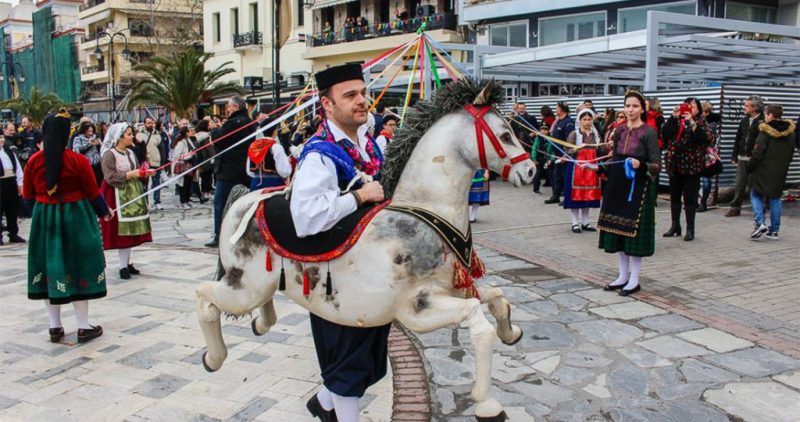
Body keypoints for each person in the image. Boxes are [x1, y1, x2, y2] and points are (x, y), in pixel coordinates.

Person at [293, 63, 387, 422]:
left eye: (362, 93)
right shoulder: (319, 154)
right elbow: (306, 218)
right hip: (335, 275)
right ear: (327, 105)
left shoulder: (364, 144)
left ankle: (323, 403)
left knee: (365, 353)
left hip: (368, 270)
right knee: (347, 358)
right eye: (350, 95)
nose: (361, 101)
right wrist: (360, 197)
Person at [22, 111, 111, 343]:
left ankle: (55, 326)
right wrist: (105, 211)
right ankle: (83, 326)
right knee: (79, 266)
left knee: (50, 268)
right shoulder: (77, 161)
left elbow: (28, 195)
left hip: (45, 218)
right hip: (77, 218)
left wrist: (41, 215)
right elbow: (93, 193)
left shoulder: (33, 162)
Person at [597, 91, 661, 296]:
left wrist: (640, 164)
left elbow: (657, 165)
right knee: (618, 232)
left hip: (639, 188)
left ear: (642, 108)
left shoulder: (649, 132)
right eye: (627, 106)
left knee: (634, 236)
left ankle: (634, 280)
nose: (630, 109)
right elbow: (615, 159)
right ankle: (622, 276)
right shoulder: (620, 130)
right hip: (618, 186)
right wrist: (597, 168)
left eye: (634, 106)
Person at [99, 123, 156, 279]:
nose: (132, 136)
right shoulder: (109, 155)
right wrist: (134, 173)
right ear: (119, 137)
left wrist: (144, 173)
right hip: (116, 194)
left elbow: (136, 170)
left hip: (132, 194)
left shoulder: (130, 153)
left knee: (131, 229)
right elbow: (109, 177)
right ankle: (123, 266)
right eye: (129, 134)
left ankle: (127, 263)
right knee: (122, 231)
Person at [207, 96, 255, 248]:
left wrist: (214, 129)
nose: (227, 110)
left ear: (235, 107)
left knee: (220, 203)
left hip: (229, 170)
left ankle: (219, 235)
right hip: (243, 169)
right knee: (242, 203)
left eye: (229, 107)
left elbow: (220, 140)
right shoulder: (249, 122)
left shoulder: (235, 122)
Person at [661, 97, 709, 242]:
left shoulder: (701, 122)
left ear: (698, 109)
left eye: (693, 107)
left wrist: (692, 122)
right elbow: (666, 134)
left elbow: (704, 138)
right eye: (687, 106)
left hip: (691, 166)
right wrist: (672, 117)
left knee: (689, 198)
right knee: (674, 197)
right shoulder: (677, 120)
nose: (690, 109)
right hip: (675, 164)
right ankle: (675, 225)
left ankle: (690, 228)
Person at [747, 104, 796, 241]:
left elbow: (757, 153)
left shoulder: (765, 132)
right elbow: (791, 152)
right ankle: (774, 231)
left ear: (770, 115)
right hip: (780, 170)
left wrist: (749, 166)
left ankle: (759, 223)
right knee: (775, 198)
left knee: (755, 193)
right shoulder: (791, 133)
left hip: (763, 169)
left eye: (766, 114)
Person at [563, 107, 602, 233]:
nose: (587, 122)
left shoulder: (595, 135)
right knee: (576, 196)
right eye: (584, 119)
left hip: (591, 169)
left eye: (589, 119)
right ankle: (575, 223)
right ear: (579, 121)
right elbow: (567, 151)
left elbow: (601, 150)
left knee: (588, 196)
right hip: (577, 169)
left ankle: (586, 222)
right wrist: (576, 149)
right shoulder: (574, 134)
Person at [726, 95, 765, 217]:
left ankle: (760, 207)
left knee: (755, 184)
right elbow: (738, 138)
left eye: (747, 106)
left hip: (755, 160)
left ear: (755, 108)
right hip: (742, 158)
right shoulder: (744, 120)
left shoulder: (763, 121)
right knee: (739, 184)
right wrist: (734, 155)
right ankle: (735, 207)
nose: (744, 108)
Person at [545, 102, 575, 205]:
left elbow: (570, 140)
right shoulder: (558, 121)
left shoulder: (569, 122)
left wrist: (565, 155)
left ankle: (567, 197)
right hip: (556, 153)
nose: (555, 110)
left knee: (565, 176)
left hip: (564, 154)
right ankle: (556, 196)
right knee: (556, 176)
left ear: (562, 109)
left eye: (557, 108)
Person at [0, 131, 25, 244]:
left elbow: (18, 167)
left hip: (11, 180)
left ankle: (13, 233)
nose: (2, 140)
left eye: (2, 137)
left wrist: (20, 183)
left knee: (12, 209)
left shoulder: (9, 151)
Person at [136, 117, 165, 210]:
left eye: (152, 123)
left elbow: (162, 149)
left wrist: (163, 162)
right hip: (145, 163)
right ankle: (146, 202)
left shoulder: (157, 134)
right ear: (144, 124)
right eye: (148, 123)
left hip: (156, 161)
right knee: (145, 184)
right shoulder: (139, 135)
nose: (150, 125)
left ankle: (157, 201)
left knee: (157, 183)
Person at [699, 101, 722, 212]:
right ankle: (701, 201)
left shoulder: (710, 124)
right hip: (706, 154)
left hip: (707, 155)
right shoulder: (708, 123)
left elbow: (708, 139)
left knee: (706, 178)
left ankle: (703, 202)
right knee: (704, 178)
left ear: (706, 112)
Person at [171, 126, 198, 209]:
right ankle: (183, 202)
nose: (192, 132)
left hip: (190, 166)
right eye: (190, 131)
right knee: (183, 185)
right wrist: (189, 155)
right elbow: (177, 155)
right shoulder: (180, 143)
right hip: (183, 166)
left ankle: (188, 200)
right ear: (186, 133)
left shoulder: (188, 140)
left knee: (189, 183)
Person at [71, 122, 103, 186]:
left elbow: (102, 152)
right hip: (86, 167)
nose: (90, 133)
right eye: (88, 131)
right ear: (83, 130)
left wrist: (98, 145)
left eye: (92, 131)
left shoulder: (96, 139)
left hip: (97, 167)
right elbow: (78, 152)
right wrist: (90, 145)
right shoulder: (78, 139)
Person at [194, 119, 215, 199]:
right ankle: (206, 192)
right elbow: (209, 148)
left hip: (201, 159)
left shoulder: (197, 135)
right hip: (206, 159)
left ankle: (204, 191)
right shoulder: (206, 137)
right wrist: (213, 157)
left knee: (204, 177)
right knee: (207, 177)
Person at [530, 124, 553, 194]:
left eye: (545, 130)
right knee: (537, 176)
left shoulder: (551, 139)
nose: (543, 131)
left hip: (547, 159)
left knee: (552, 176)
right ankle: (536, 189)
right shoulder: (537, 138)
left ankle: (556, 192)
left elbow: (553, 151)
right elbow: (534, 149)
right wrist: (534, 159)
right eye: (542, 130)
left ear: (548, 131)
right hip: (540, 160)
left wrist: (551, 159)